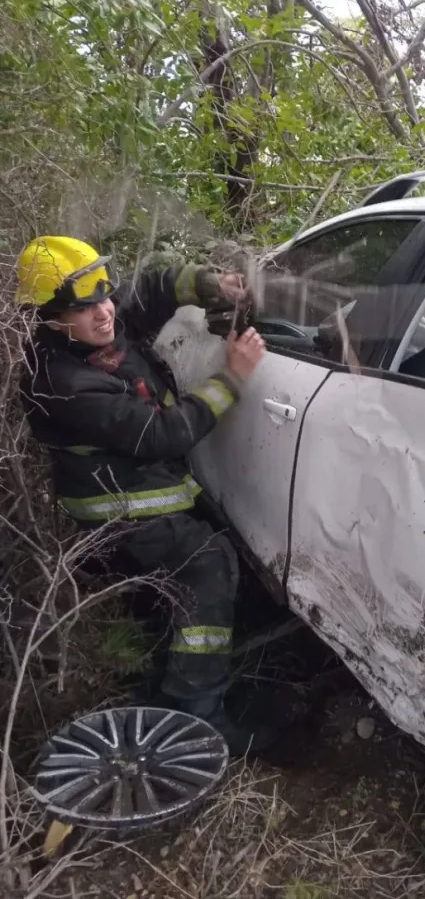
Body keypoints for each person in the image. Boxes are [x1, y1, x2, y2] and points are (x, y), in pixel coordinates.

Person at [16, 234, 273, 754]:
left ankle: (167, 652)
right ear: (47, 315)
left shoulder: (90, 327)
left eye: (104, 296)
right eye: (84, 308)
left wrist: (207, 283)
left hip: (141, 481)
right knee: (208, 562)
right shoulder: (61, 382)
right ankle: (194, 712)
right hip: (117, 505)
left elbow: (152, 287)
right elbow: (164, 434)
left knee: (192, 563)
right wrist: (234, 376)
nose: (104, 313)